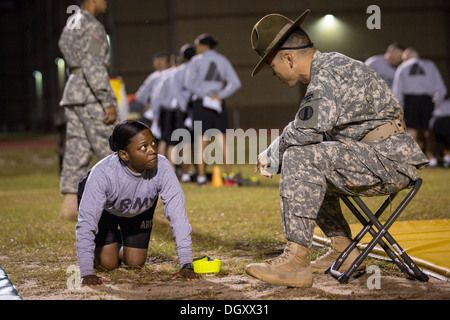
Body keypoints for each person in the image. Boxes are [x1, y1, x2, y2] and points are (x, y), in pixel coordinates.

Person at [245, 9, 428, 287]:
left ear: (289, 58)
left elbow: (305, 131)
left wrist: (273, 154)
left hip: (389, 160)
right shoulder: (330, 68)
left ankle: (296, 260)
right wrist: (276, 151)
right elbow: (310, 129)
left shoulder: (327, 75)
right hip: (379, 155)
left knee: (300, 156)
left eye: (272, 68)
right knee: (310, 161)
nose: (274, 75)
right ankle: (344, 248)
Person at [76, 120, 201, 286]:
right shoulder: (103, 174)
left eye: (153, 143)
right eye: (144, 147)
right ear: (124, 155)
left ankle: (118, 242)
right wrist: (86, 272)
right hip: (107, 210)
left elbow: (178, 216)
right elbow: (86, 224)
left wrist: (186, 264)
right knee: (107, 264)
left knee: (135, 262)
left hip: (138, 209)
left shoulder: (162, 167)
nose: (153, 151)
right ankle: (109, 242)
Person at [58, 0, 118, 220]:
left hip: (73, 91)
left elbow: (67, 51)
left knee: (77, 148)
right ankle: (127, 200)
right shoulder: (92, 26)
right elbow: (93, 64)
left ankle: (70, 206)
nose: (107, 3)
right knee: (112, 144)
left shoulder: (72, 21)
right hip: (90, 93)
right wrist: (106, 100)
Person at [183, 33, 242, 185]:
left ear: (203, 45)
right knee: (222, 140)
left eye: (197, 45)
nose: (196, 49)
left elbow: (188, 83)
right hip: (217, 103)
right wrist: (220, 95)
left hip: (201, 103)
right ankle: (229, 175)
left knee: (201, 141)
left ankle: (201, 177)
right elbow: (235, 83)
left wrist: (205, 95)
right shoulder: (222, 59)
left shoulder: (196, 60)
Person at [392, 47, 447, 156]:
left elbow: (397, 90)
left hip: (410, 100)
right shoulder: (430, 65)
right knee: (428, 129)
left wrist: (399, 106)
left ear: (407, 56)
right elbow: (441, 88)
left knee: (412, 129)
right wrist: (436, 102)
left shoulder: (402, 67)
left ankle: (415, 157)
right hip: (426, 99)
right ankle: (432, 157)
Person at [135, 52, 172, 134]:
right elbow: (140, 95)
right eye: (157, 62)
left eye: (161, 62)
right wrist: (148, 104)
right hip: (156, 113)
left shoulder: (171, 74)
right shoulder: (155, 76)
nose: (159, 65)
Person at [428, 98, 450, 168]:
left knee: (434, 139)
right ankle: (441, 159)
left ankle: (434, 159)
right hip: (439, 119)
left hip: (440, 119)